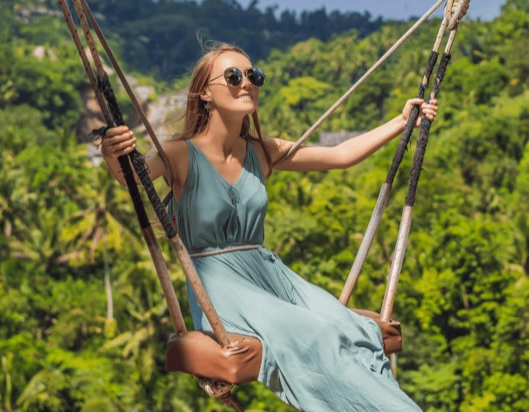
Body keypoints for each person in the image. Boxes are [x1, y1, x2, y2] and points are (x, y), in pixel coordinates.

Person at [101, 43, 438, 411]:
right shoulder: (179, 153)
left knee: (355, 331)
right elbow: (130, 176)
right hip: (219, 287)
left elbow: (340, 156)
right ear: (204, 93)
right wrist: (110, 151)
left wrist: (402, 122)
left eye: (253, 76)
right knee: (319, 334)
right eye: (233, 77)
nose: (246, 83)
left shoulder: (262, 151)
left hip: (272, 276)